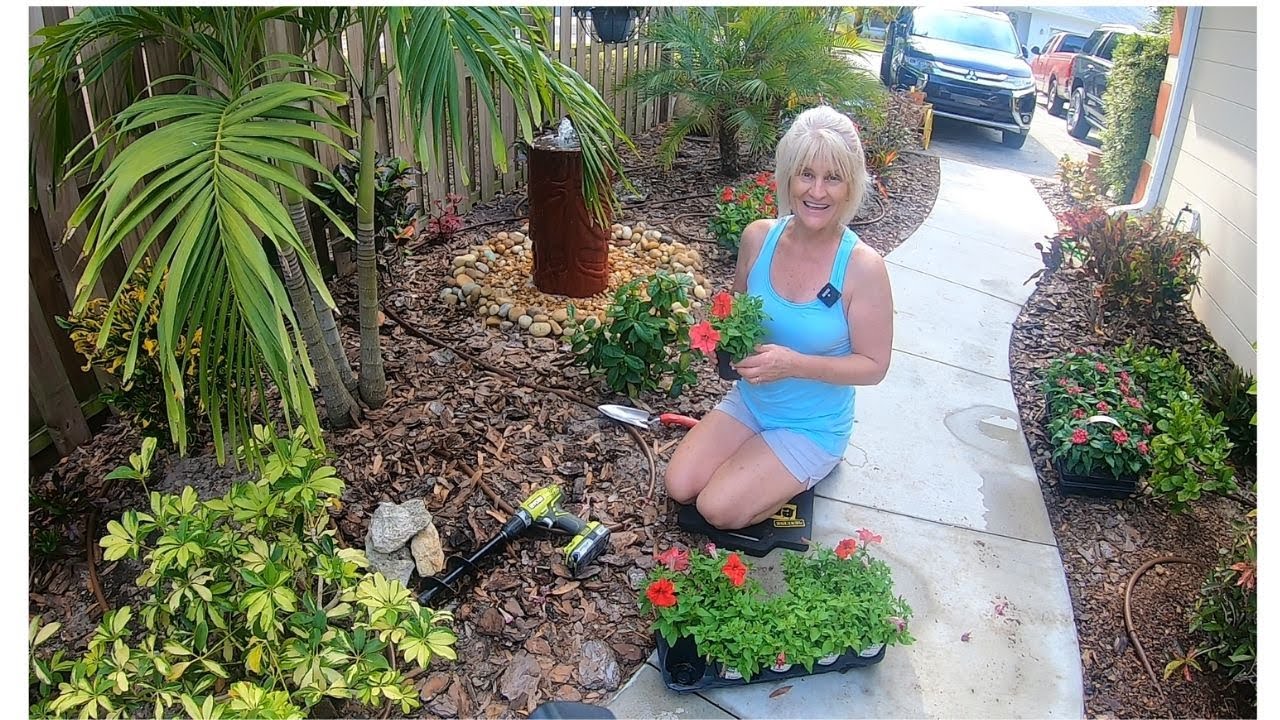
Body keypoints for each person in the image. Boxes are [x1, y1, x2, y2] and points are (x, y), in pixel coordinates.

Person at [665, 105, 894, 530]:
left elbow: (875, 366)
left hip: (812, 425)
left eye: (833, 178)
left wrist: (794, 364)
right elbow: (734, 317)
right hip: (752, 403)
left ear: (850, 187)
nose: (818, 192)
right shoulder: (758, 237)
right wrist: (720, 344)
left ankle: (800, 470)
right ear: (788, 176)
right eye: (807, 174)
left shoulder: (863, 267)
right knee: (680, 485)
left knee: (717, 508)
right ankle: (755, 462)